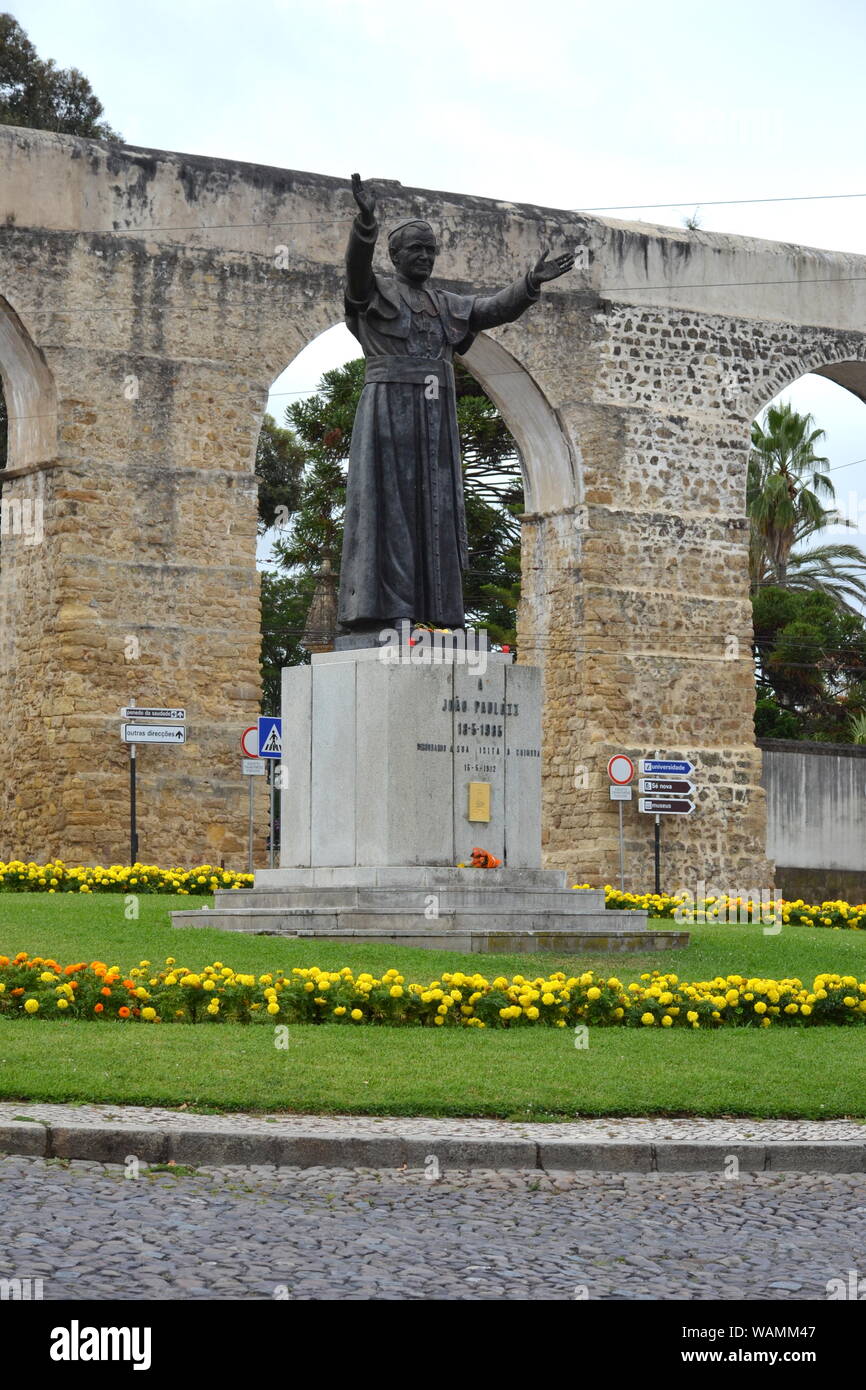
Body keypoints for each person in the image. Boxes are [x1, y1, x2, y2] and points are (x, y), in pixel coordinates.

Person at [337, 172, 574, 641]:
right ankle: (385, 609)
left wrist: (528, 284)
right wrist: (365, 224)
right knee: (389, 507)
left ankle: (437, 612)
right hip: (388, 410)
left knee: (438, 508)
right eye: (415, 250)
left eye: (430, 250)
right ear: (395, 256)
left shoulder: (445, 303)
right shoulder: (375, 295)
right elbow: (356, 275)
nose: (424, 256)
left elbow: (491, 309)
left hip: (435, 417)